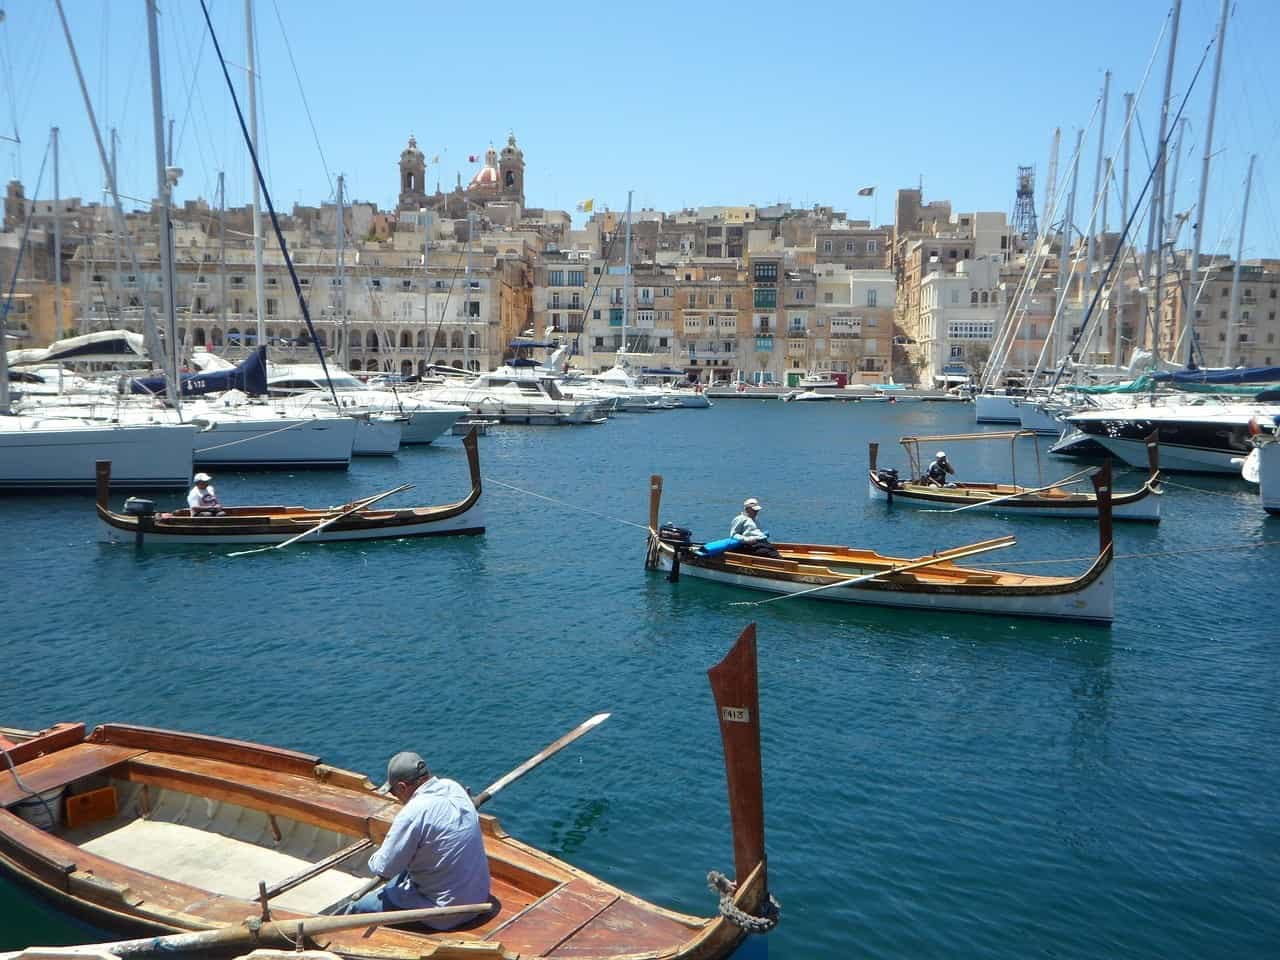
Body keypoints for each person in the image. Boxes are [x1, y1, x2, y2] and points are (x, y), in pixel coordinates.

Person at [339, 751, 491, 929]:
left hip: (446, 914)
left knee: (358, 908)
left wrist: (381, 852)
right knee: (408, 867)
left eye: (394, 792)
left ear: (403, 787)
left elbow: (383, 868)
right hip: (479, 898)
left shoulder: (413, 813)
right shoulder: (453, 787)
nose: (396, 797)